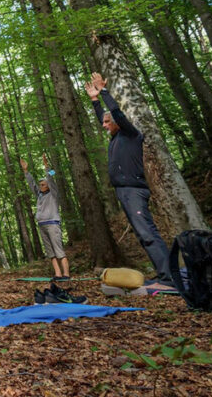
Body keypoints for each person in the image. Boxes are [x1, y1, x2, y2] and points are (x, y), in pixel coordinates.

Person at [85, 73, 174, 289]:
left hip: (134, 191)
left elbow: (115, 113)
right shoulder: (116, 137)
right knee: (143, 235)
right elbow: (106, 117)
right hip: (123, 192)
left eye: (108, 123)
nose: (104, 125)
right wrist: (95, 101)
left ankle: (169, 279)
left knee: (148, 233)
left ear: (118, 123)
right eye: (104, 122)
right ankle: (165, 275)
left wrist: (104, 92)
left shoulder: (131, 134)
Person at [21, 154, 70, 281]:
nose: (41, 186)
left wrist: (47, 166)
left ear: (48, 185)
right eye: (40, 184)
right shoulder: (39, 195)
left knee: (59, 250)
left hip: (53, 224)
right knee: (51, 252)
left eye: (43, 184)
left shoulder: (53, 194)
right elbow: (31, 184)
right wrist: (26, 171)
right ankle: (58, 274)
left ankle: (66, 274)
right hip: (42, 225)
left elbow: (52, 178)